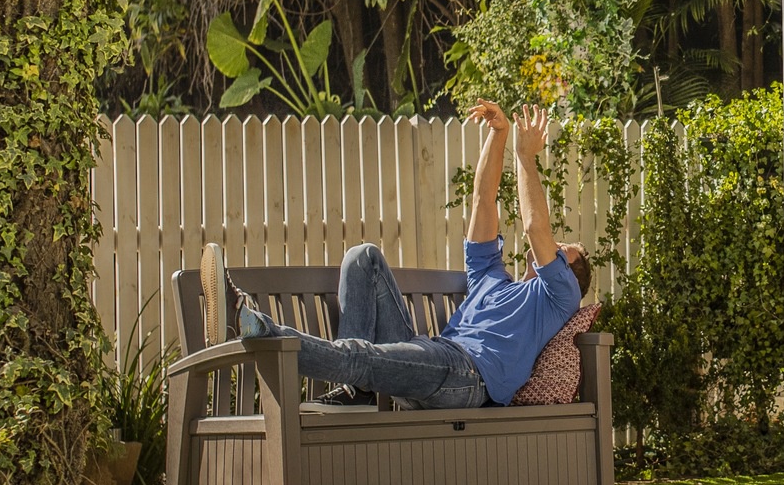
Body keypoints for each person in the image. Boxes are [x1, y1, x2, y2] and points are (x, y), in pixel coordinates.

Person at [198, 101, 591, 409]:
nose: (554, 248)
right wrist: (499, 133)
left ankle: (250, 325)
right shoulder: (490, 277)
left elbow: (535, 227)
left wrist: (525, 157)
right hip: (436, 360)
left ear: (567, 274)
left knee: (361, 356)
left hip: (466, 376)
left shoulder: (559, 298)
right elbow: (482, 202)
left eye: (563, 252)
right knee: (363, 257)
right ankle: (359, 392)